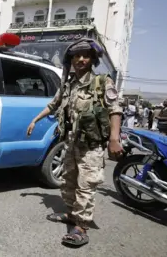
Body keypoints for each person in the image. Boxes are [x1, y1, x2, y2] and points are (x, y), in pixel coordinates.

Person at [26, 38, 123, 247]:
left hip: (92, 145)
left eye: (85, 55)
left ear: (92, 59)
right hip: (70, 143)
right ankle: (71, 214)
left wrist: (114, 139)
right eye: (76, 56)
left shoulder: (102, 82)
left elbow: (115, 110)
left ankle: (81, 227)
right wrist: (35, 119)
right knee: (68, 181)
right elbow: (53, 105)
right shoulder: (68, 84)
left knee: (86, 185)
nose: (80, 59)